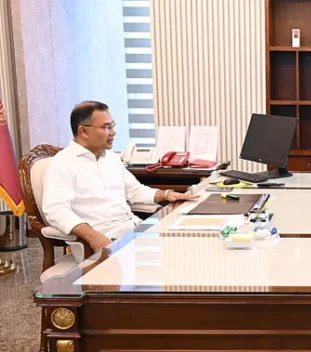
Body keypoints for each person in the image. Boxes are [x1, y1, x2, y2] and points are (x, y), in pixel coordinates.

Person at [42, 101, 198, 252]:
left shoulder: (110, 157)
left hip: (132, 229)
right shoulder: (62, 163)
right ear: (83, 131)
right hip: (101, 240)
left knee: (186, 246)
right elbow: (56, 211)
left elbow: (135, 191)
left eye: (112, 126)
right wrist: (92, 236)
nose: (113, 132)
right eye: (105, 127)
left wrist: (167, 194)